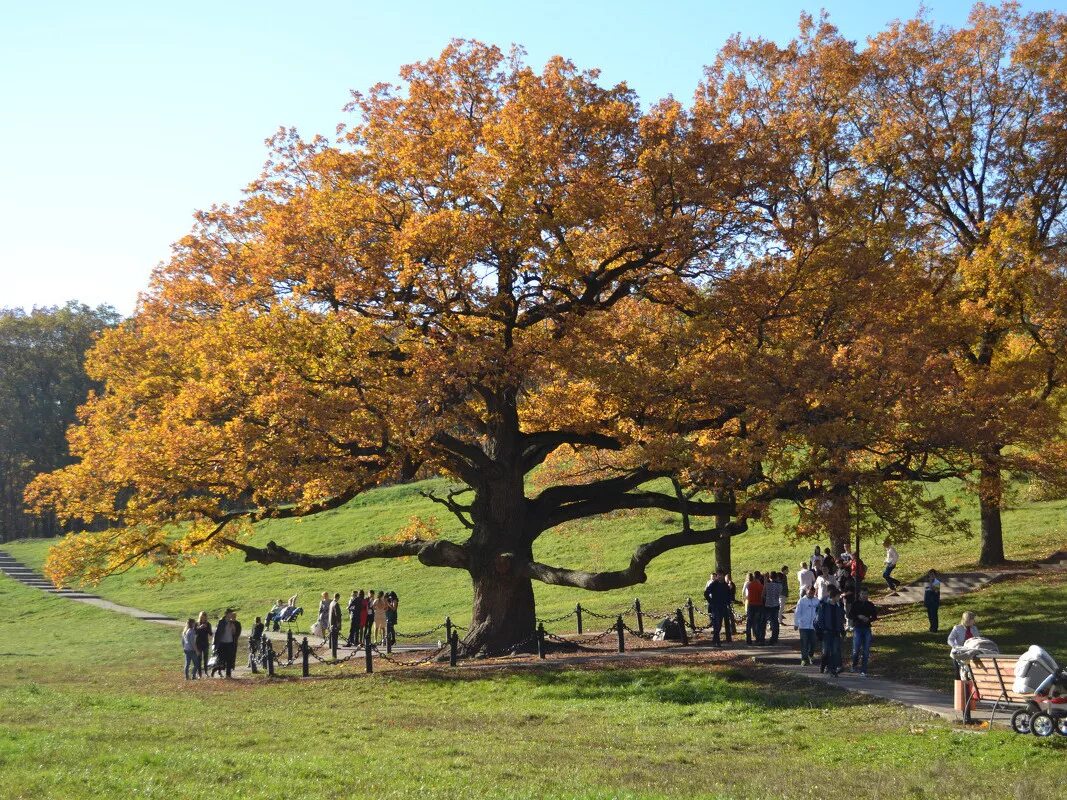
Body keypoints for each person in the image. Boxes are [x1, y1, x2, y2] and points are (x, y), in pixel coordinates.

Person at [815, 587, 846, 676]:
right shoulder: (824, 606)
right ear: (834, 596)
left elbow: (839, 620)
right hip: (827, 632)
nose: (839, 598)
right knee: (826, 651)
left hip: (835, 632)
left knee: (835, 651)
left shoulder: (838, 607)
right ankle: (823, 665)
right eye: (838, 596)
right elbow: (819, 619)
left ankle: (833, 670)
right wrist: (821, 630)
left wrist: (842, 630)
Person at [848, 588, 878, 676]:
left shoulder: (870, 604)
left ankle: (863, 670)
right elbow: (850, 615)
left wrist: (869, 619)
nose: (864, 596)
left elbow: (875, 616)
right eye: (862, 594)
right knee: (856, 649)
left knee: (866, 650)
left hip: (867, 628)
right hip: (857, 628)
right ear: (859, 595)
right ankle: (854, 665)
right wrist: (858, 616)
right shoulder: (855, 604)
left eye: (866, 594)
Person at [703, 572, 732, 646]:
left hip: (723, 606)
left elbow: (728, 594)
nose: (719, 577)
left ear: (723, 576)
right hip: (715, 607)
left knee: (719, 625)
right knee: (717, 624)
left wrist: (727, 602)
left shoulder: (725, 584)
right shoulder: (714, 584)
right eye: (718, 575)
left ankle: (715, 640)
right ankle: (717, 642)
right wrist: (711, 601)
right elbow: (706, 593)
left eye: (721, 575)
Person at [794, 587, 819, 666]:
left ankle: (810, 655)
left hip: (813, 626)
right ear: (806, 592)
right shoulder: (802, 601)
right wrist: (796, 624)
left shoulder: (817, 601)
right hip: (803, 626)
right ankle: (804, 659)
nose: (811, 595)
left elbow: (819, 612)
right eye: (809, 593)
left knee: (813, 643)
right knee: (804, 643)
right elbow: (797, 613)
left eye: (812, 593)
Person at [214, 608, 241, 679]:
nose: (231, 615)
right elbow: (217, 633)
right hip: (222, 643)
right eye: (230, 613)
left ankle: (228, 675)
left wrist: (233, 628)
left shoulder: (232, 622)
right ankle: (218, 670)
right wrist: (215, 643)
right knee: (221, 659)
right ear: (226, 614)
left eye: (231, 614)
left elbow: (234, 633)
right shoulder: (221, 621)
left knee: (229, 659)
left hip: (230, 642)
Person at [744, 572, 764, 645]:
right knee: (757, 622)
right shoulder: (760, 586)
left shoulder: (749, 585)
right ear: (759, 577)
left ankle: (748, 639)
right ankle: (757, 638)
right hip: (758, 604)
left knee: (749, 622)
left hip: (751, 604)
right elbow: (762, 596)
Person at [762, 571, 782, 644]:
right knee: (775, 622)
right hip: (776, 604)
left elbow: (763, 594)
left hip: (768, 605)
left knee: (765, 621)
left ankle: (762, 637)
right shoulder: (779, 585)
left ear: (770, 577)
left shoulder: (767, 585)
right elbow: (779, 594)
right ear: (776, 577)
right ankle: (774, 637)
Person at [194, 611, 212, 677]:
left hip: (205, 643)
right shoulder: (196, 624)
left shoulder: (208, 624)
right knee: (199, 659)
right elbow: (194, 632)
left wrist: (206, 628)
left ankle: (206, 672)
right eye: (202, 617)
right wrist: (199, 628)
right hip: (198, 643)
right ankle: (199, 673)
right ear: (200, 617)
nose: (204, 619)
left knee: (206, 658)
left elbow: (210, 633)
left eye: (205, 617)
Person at [724, 574, 738, 638]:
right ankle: (731, 629)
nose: (725, 580)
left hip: (729, 602)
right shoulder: (727, 584)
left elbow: (730, 592)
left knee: (730, 616)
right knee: (729, 616)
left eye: (726, 578)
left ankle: (732, 629)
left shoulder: (730, 584)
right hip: (727, 602)